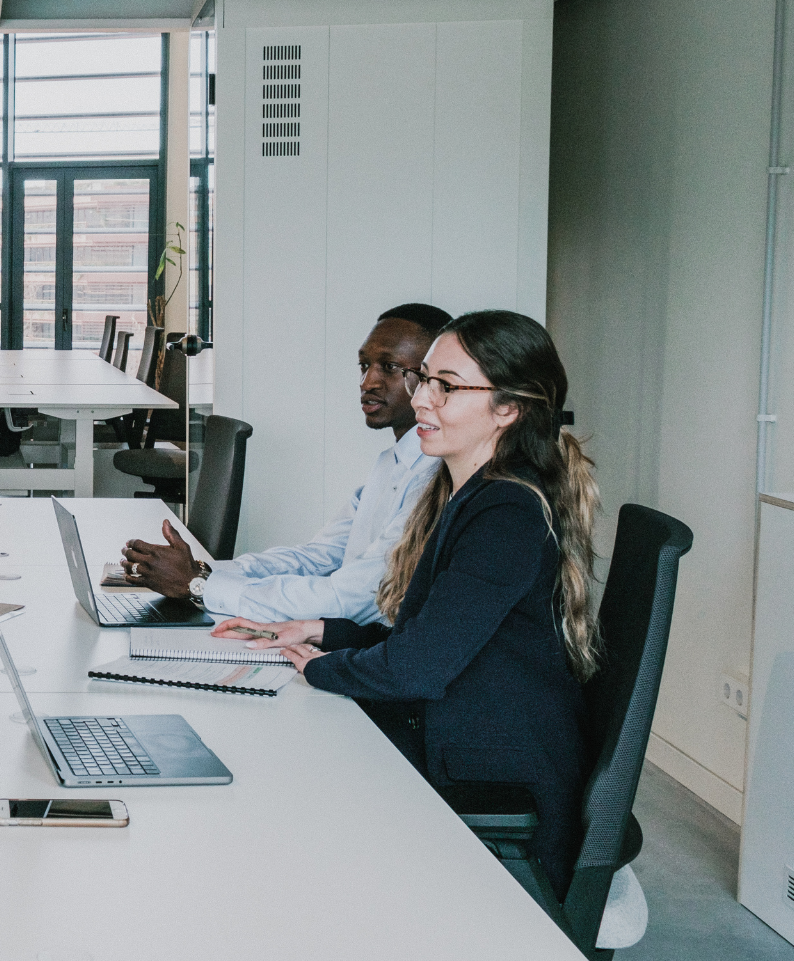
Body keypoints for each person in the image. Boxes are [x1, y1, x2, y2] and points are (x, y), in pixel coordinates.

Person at [218, 310, 599, 896]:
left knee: (284, 774)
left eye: (447, 386)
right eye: (424, 379)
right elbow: (428, 638)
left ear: (508, 407)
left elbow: (417, 666)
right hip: (462, 730)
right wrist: (321, 632)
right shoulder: (469, 494)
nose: (423, 399)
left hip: (491, 768)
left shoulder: (506, 513)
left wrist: (321, 667)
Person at [119, 303, 452, 623]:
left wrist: (200, 585)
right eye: (365, 366)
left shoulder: (435, 478)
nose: (367, 383)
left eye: (390, 368)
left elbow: (356, 598)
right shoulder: (390, 464)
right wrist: (200, 571)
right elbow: (317, 558)